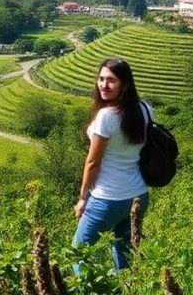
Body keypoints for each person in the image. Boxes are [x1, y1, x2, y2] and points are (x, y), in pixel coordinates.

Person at [73, 57, 151, 272]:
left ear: (124, 84)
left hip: (108, 198)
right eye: (101, 79)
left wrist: (82, 198)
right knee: (125, 252)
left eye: (111, 80)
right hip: (138, 195)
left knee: (79, 252)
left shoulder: (106, 116)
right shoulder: (145, 110)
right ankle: (127, 288)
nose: (103, 85)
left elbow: (93, 162)